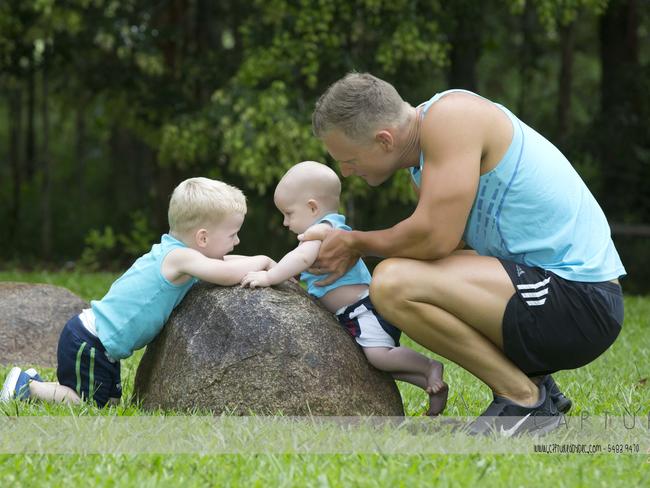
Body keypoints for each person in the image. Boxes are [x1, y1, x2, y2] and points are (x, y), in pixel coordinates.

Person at [302, 72, 625, 435]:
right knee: (408, 274)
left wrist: (355, 242)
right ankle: (535, 384)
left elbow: (435, 239)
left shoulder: (453, 117)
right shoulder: (426, 161)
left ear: (384, 140)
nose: (346, 172)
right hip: (554, 297)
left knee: (393, 283)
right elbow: (445, 249)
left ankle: (523, 399)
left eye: (348, 159)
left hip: (581, 302)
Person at [1, 177, 275, 408]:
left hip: (102, 346)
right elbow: (225, 273)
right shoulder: (180, 258)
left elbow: (222, 263)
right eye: (233, 235)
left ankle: (36, 381)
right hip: (91, 342)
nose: (237, 242)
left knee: (110, 403)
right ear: (202, 238)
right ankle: (26, 387)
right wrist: (261, 261)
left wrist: (270, 265)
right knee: (87, 404)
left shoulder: (182, 255)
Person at [240, 160, 449, 415]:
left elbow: (302, 258)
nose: (285, 222)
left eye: (289, 213)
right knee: (381, 367)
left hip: (364, 310)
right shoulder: (327, 229)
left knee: (379, 357)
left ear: (312, 207)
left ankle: (429, 367)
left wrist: (270, 277)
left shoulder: (324, 231)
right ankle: (429, 384)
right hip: (352, 316)